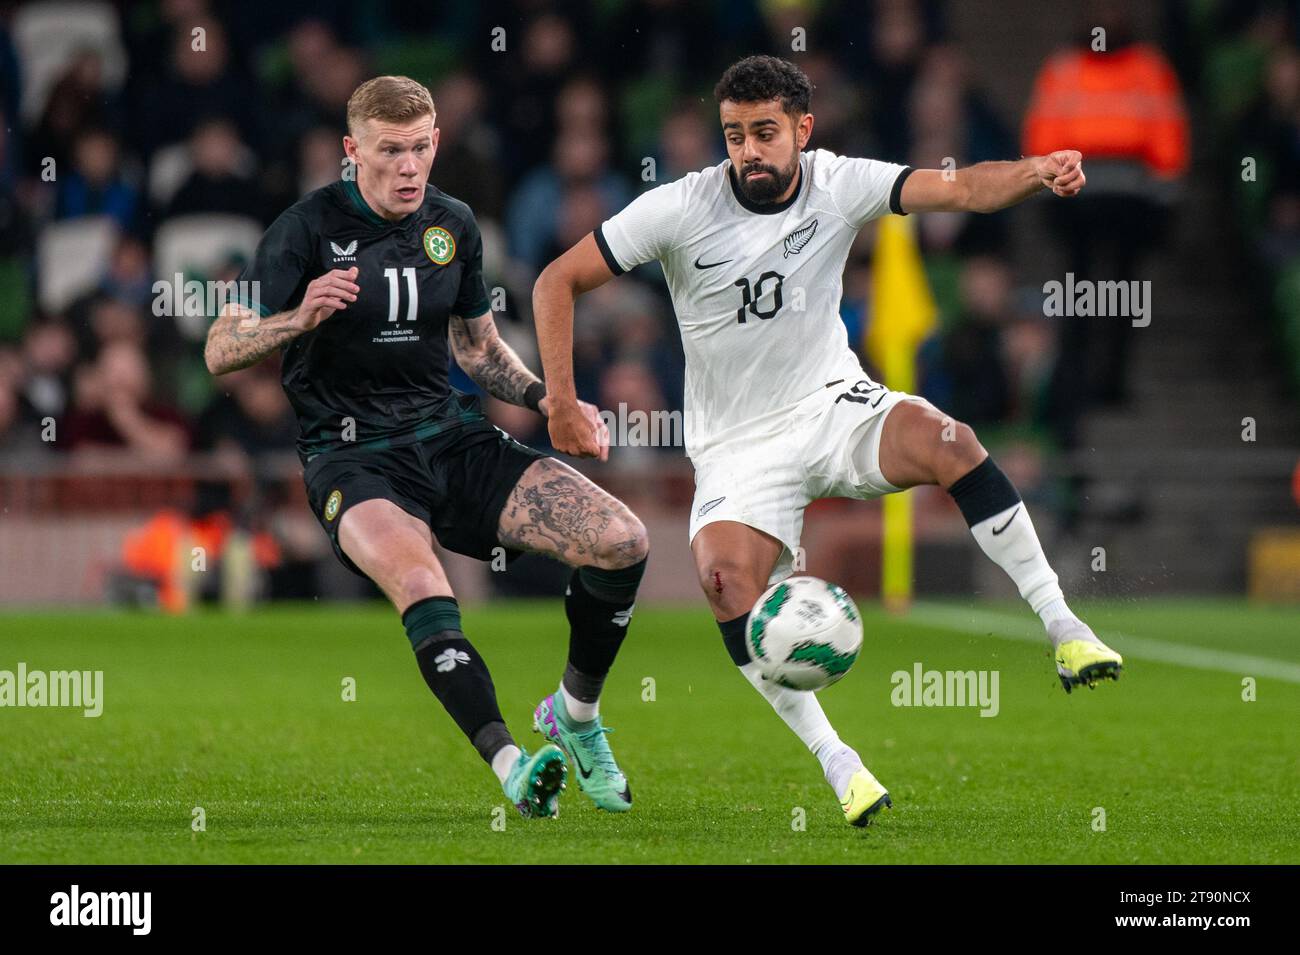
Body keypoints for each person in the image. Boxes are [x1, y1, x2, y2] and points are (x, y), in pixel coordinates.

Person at [533, 55, 1122, 828]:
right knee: (723, 583)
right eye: (735, 135)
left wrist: (1036, 171)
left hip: (831, 404)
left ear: (802, 131)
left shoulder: (840, 181)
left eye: (765, 133)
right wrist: (563, 400)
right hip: (739, 444)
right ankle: (839, 760)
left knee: (951, 440)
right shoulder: (680, 207)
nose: (748, 150)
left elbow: (962, 188)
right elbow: (554, 280)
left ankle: (1064, 626)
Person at [204, 76, 648, 819]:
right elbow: (221, 349)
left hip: (451, 436)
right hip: (352, 458)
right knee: (421, 582)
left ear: (436, 141)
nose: (409, 167)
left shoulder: (453, 225)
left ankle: (574, 716)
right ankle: (511, 763)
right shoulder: (305, 230)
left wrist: (552, 400)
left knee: (624, 541)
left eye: (420, 148)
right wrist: (299, 315)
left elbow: (478, 351)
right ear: (353, 152)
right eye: (390, 152)